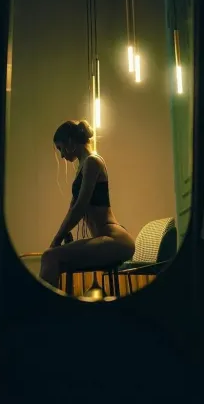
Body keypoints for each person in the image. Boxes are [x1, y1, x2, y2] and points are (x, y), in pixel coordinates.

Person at [39, 119, 135, 289]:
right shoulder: (83, 166)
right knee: (52, 257)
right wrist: (61, 236)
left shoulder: (92, 161)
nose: (62, 155)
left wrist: (57, 239)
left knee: (49, 256)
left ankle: (43, 305)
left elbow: (80, 207)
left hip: (115, 239)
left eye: (61, 148)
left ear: (70, 141)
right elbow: (72, 209)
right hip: (104, 238)